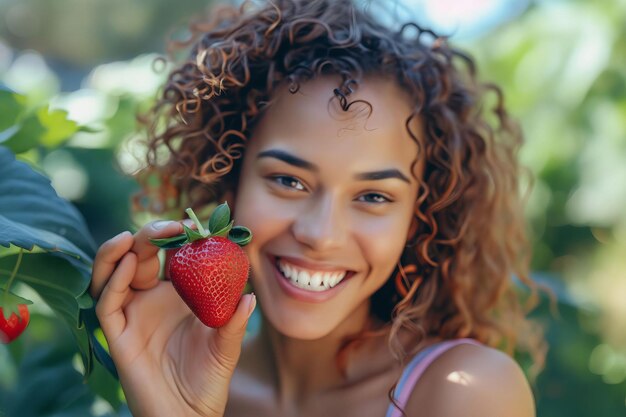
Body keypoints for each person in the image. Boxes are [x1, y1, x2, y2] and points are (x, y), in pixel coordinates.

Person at [90, 0, 545, 415]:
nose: (321, 233)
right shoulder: (190, 381)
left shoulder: (465, 391)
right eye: (288, 180)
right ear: (227, 181)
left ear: (419, 219)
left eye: (373, 196)